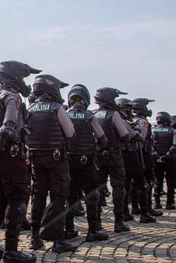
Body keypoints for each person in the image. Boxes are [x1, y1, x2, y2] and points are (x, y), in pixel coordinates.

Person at [0, 60, 41, 263]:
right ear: (15, 77)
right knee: (18, 199)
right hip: (11, 157)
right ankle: (12, 251)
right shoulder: (12, 97)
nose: (25, 82)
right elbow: (8, 127)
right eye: (23, 77)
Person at [26, 74, 77, 253]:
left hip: (35, 158)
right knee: (58, 197)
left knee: (37, 196)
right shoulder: (56, 108)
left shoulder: (30, 108)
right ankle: (58, 240)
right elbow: (70, 132)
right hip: (56, 159)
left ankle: (34, 238)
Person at [64, 84, 109, 242]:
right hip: (86, 160)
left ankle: (69, 230)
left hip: (69, 160)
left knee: (70, 195)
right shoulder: (89, 116)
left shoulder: (64, 114)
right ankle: (93, 231)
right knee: (92, 195)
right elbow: (103, 139)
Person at [92, 87, 133, 234]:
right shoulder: (113, 114)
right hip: (114, 154)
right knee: (118, 186)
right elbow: (125, 135)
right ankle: (118, 222)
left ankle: (96, 222)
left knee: (98, 188)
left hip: (98, 156)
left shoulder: (93, 114)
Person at [117, 97, 155, 224]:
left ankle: (127, 212)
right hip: (134, 155)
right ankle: (145, 212)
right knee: (142, 183)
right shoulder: (137, 121)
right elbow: (139, 137)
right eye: (127, 108)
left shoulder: (120, 119)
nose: (129, 111)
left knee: (126, 184)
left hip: (124, 155)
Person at [152, 112, 176, 210]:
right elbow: (175, 146)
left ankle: (157, 203)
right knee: (170, 181)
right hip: (170, 159)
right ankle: (169, 202)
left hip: (157, 160)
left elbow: (151, 145)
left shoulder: (154, 130)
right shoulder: (173, 131)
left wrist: (158, 156)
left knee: (157, 181)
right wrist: (167, 155)